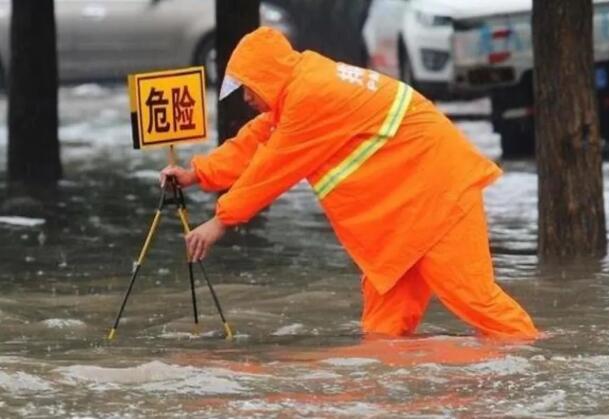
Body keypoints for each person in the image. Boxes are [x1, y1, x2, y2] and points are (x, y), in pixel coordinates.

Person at [160, 26, 539, 339]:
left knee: (475, 301)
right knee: (383, 332)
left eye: (248, 87)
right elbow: (259, 139)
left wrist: (221, 220)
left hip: (437, 195)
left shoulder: (311, 95)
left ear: (268, 76)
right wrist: (197, 174)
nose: (246, 98)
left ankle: (539, 365)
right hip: (406, 212)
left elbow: (273, 166)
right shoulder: (302, 87)